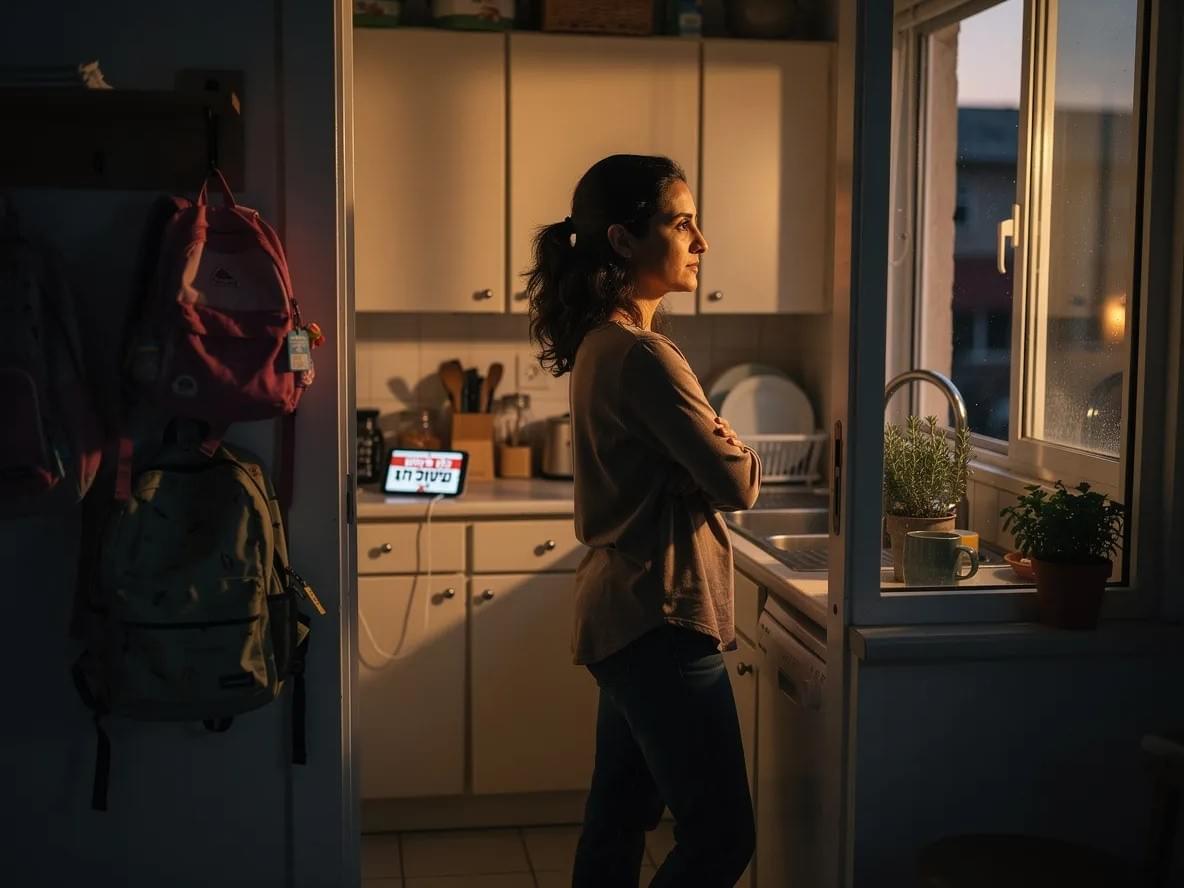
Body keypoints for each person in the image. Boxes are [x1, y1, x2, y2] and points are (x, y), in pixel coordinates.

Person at [526, 154, 762, 888]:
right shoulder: (643, 355)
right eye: (681, 222)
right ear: (624, 239)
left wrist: (707, 452)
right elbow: (737, 482)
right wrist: (728, 447)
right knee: (722, 836)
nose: (701, 241)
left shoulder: (602, 343)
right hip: (660, 618)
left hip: (623, 612)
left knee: (618, 822)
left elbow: (700, 467)